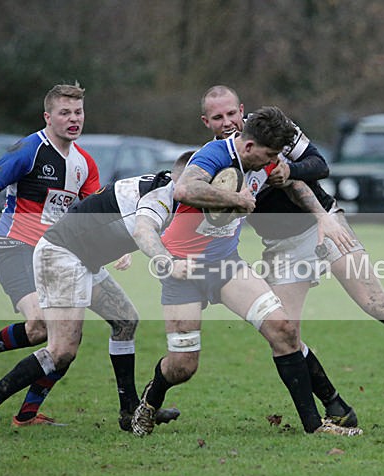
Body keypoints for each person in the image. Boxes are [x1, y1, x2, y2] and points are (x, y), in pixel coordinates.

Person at [199, 86, 384, 410]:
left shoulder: (272, 129)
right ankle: (336, 407)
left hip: (323, 225)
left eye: (232, 113)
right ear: (206, 121)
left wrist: (290, 171)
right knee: (283, 333)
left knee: (376, 303)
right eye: (218, 117)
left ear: (242, 109)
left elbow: (320, 164)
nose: (227, 122)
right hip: (281, 247)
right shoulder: (216, 161)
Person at [130, 106, 363, 437]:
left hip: (226, 265)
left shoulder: (264, 159)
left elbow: (293, 183)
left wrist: (321, 213)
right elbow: (185, 190)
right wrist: (234, 199)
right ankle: (150, 402)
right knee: (183, 366)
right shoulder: (214, 154)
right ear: (249, 147)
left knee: (284, 330)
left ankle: (315, 426)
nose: (271, 162)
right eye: (268, 156)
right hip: (182, 268)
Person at [0, 153, 193, 438]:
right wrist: (168, 263)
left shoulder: (173, 191)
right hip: (62, 253)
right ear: (183, 180)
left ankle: (129, 410)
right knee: (61, 350)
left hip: (83, 258)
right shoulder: (160, 195)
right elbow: (145, 233)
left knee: (125, 320)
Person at [0, 82, 107, 426]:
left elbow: (99, 210)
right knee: (43, 326)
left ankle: (26, 413)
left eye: (78, 112)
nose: (73, 119)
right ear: (48, 117)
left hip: (57, 257)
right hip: (15, 248)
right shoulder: (29, 150)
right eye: (65, 113)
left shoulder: (84, 162)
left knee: (66, 339)